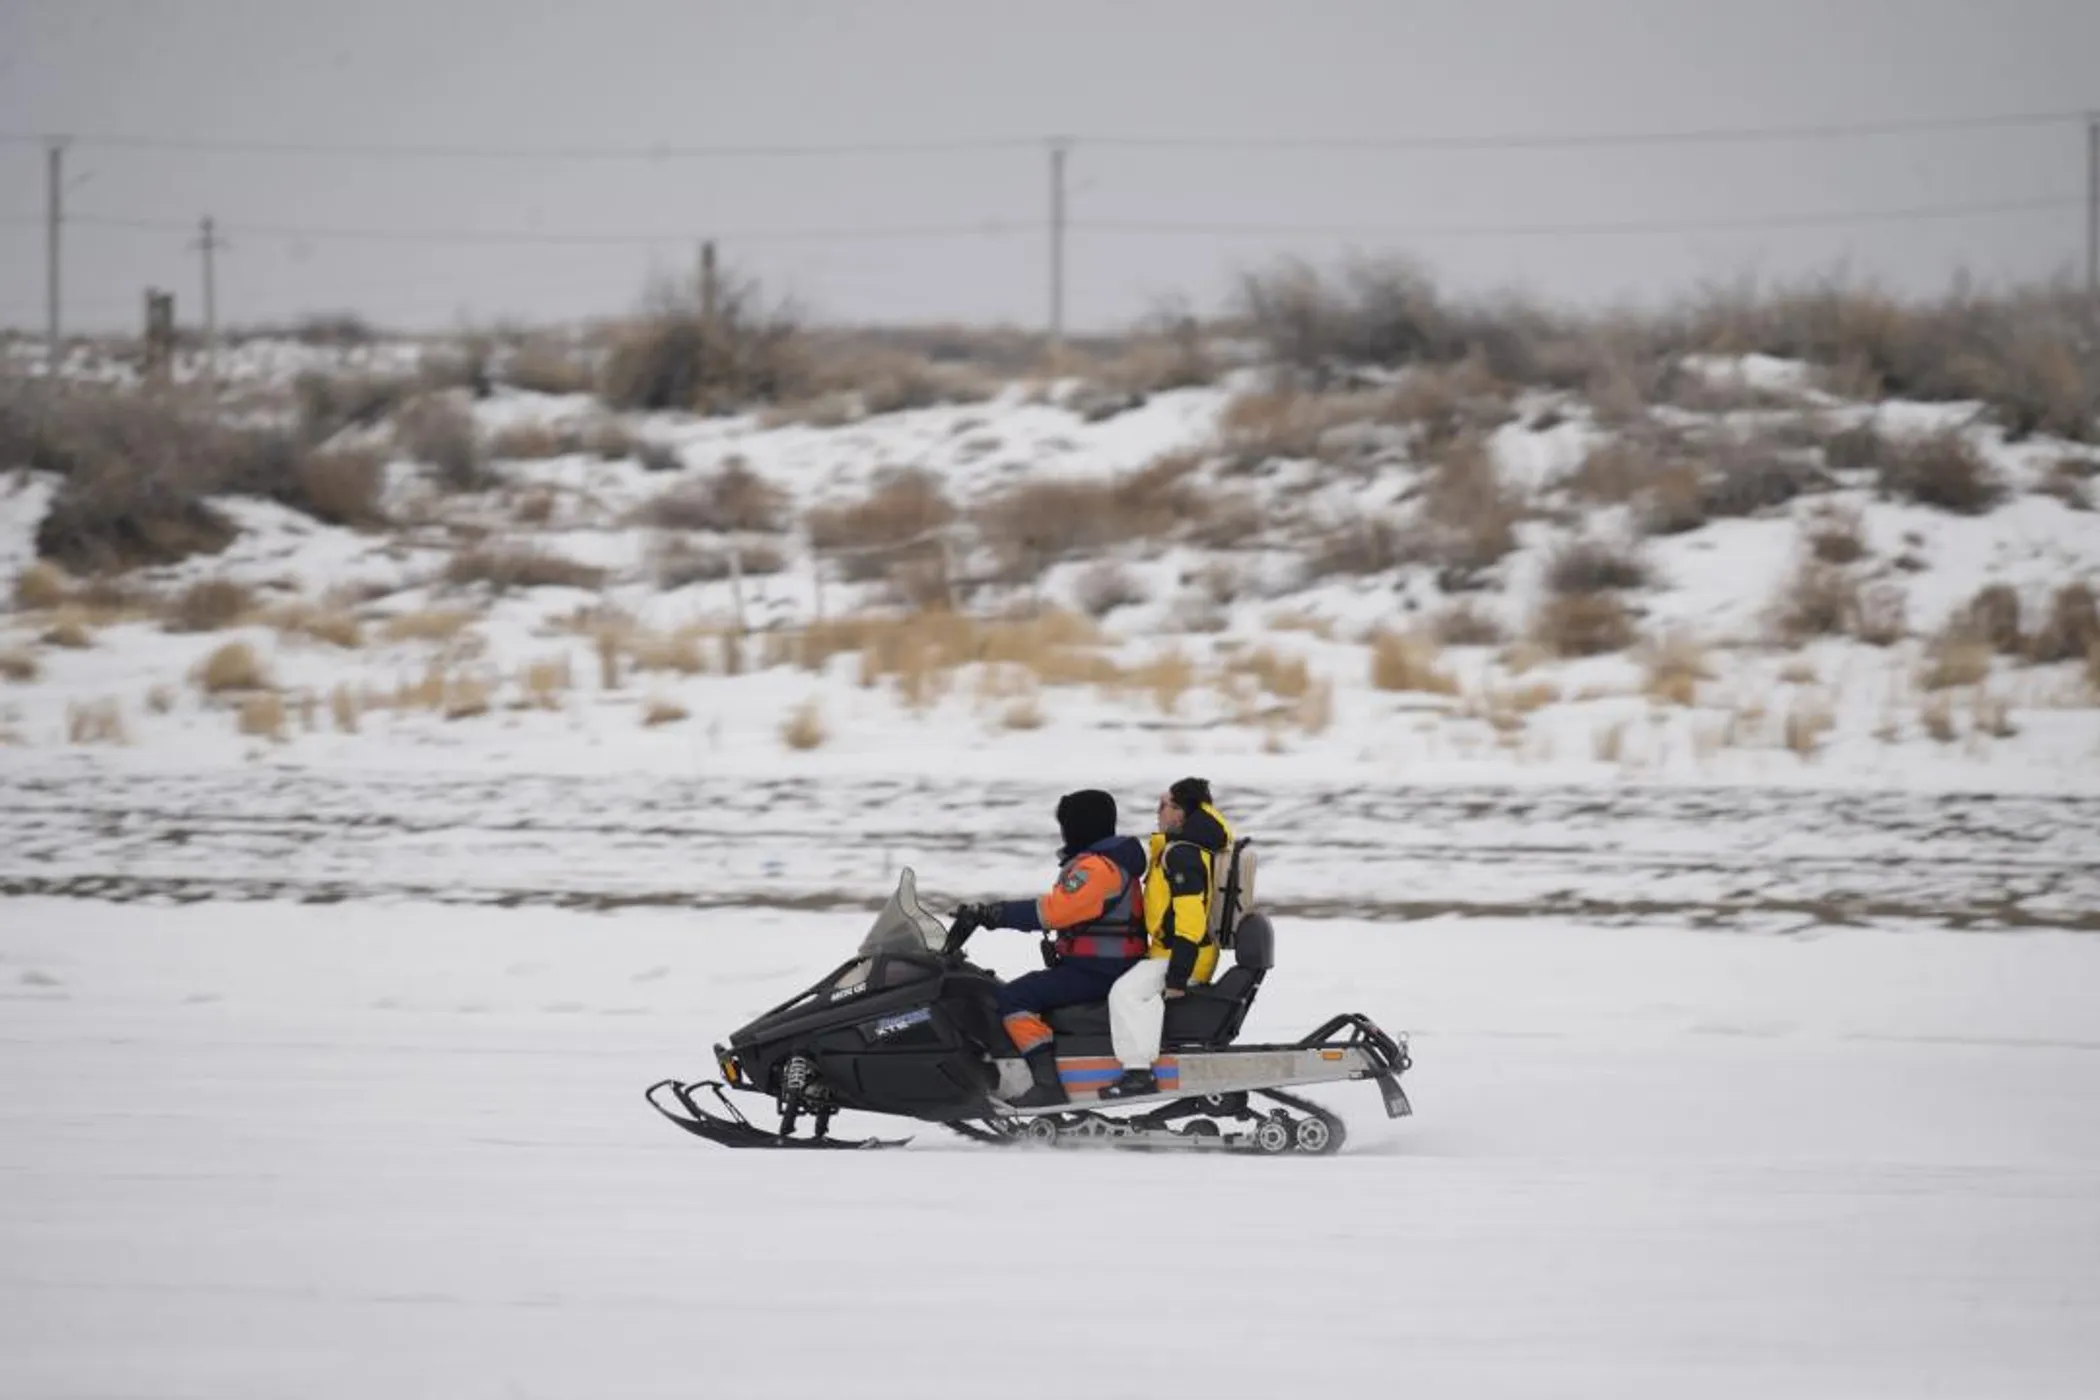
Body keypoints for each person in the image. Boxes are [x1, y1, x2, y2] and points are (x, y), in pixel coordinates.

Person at [955, 788, 1149, 1107]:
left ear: (1081, 825)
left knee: (1014, 997)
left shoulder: (1098, 869)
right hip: (1100, 964)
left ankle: (1046, 1085)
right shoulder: (1105, 863)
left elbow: (1055, 912)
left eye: (1066, 824)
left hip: (1100, 969)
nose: (1064, 832)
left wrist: (995, 914)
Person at [1098, 777, 1235, 1100]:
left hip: (1185, 956)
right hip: (1167, 951)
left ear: (1180, 812)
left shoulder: (1184, 854)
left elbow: (1190, 922)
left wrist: (1178, 976)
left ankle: (1138, 1073)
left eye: (1164, 805)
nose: (1157, 812)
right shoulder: (1178, 848)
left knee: (1126, 993)